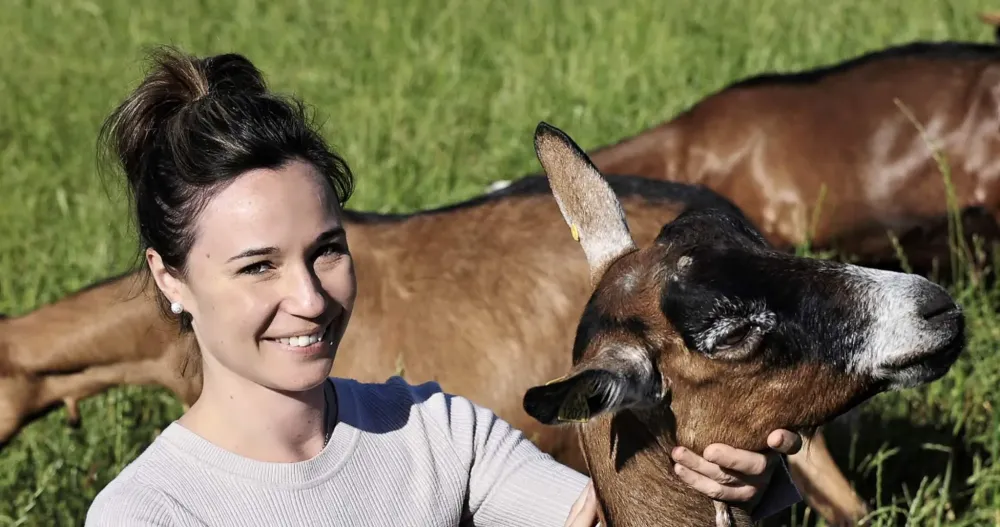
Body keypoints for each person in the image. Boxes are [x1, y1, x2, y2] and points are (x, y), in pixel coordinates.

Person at [83, 46, 805, 526]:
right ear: (169, 278)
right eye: (258, 265)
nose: (308, 298)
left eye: (327, 250)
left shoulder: (432, 433)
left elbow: (612, 519)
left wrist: (743, 491)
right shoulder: (151, 510)